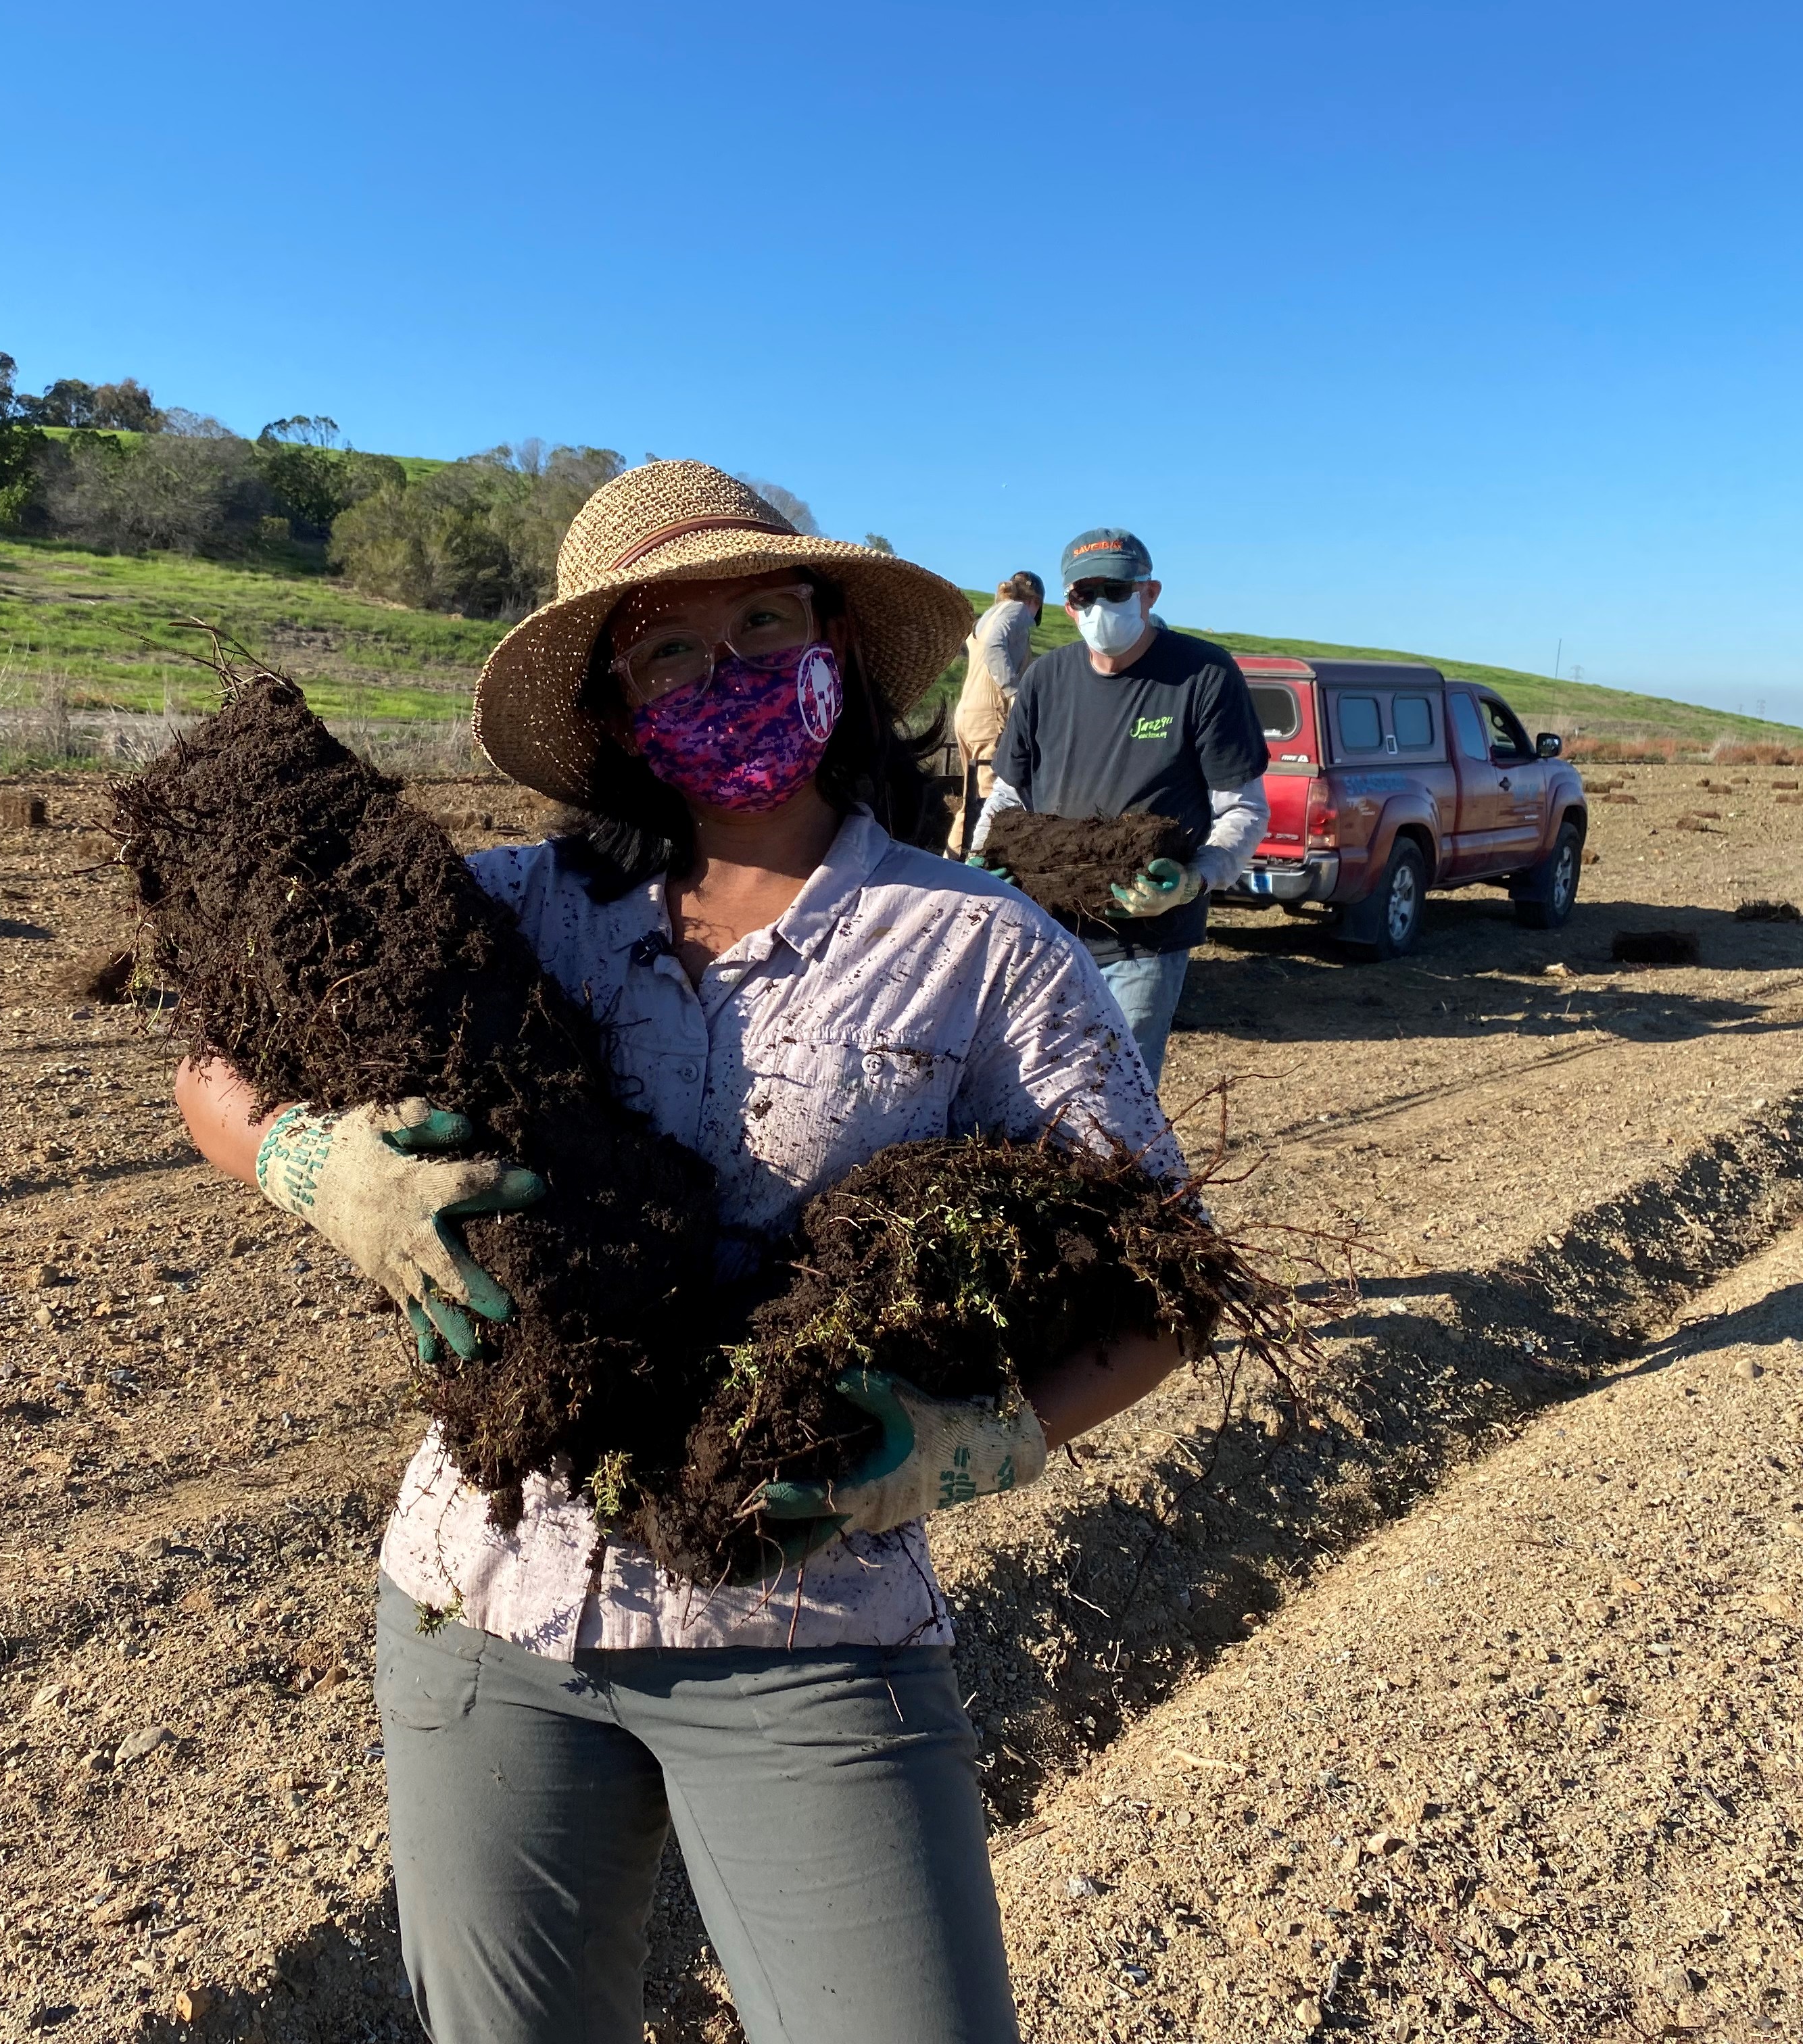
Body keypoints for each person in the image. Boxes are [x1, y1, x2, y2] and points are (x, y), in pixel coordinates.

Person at [174, 463, 1195, 2044]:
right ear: (611, 705)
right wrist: (314, 1165)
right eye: (668, 652)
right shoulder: (518, 910)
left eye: (763, 624)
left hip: (805, 1622)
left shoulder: (981, 944)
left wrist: (975, 1443)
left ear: (834, 649)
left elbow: (1166, 1274)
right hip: (482, 1599)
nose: (724, 674)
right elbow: (214, 1064)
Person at [967, 527, 1270, 1084]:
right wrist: (980, 869)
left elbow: (1243, 809)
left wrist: (1190, 881)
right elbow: (1010, 796)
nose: (1100, 605)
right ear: (1068, 603)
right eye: (1086, 594)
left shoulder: (1202, 675)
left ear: (1149, 593)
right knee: (1026, 1091)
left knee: (1113, 1097)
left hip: (1143, 942)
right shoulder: (1045, 679)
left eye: (1115, 590)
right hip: (1045, 932)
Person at [951, 570, 1042, 840]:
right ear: (1034, 602)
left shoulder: (989, 616)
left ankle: (950, 862)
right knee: (993, 800)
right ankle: (980, 873)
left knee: (971, 802)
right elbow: (994, 646)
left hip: (969, 714)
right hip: (992, 714)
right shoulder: (1016, 611)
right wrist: (1014, 692)